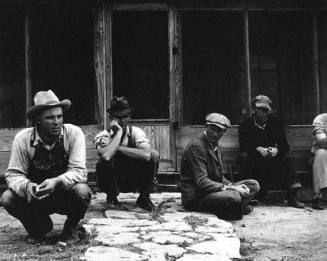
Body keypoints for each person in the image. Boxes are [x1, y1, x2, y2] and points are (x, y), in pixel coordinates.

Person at [1, 90, 92, 243]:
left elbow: (79, 172)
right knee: (7, 198)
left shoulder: (74, 134)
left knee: (82, 191)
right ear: (38, 120)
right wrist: (27, 186)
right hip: (36, 198)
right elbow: (13, 174)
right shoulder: (23, 139)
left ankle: (71, 229)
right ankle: (39, 227)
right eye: (50, 118)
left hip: (64, 195)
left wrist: (57, 182)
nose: (57, 122)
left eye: (59, 116)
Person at [180, 113, 260, 220]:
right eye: (212, 129)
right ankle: (234, 207)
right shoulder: (196, 146)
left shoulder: (217, 146)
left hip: (214, 190)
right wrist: (231, 188)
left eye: (219, 131)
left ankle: (232, 206)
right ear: (206, 127)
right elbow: (202, 182)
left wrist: (232, 185)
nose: (215, 134)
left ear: (224, 132)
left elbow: (219, 176)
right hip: (197, 196)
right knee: (234, 196)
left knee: (253, 185)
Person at [94, 96, 159, 211]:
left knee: (154, 155)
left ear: (129, 117)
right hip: (113, 178)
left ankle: (144, 197)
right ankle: (112, 196)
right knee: (105, 161)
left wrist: (117, 148)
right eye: (118, 117)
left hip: (132, 176)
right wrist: (118, 133)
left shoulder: (136, 132)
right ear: (111, 118)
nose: (122, 120)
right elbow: (106, 155)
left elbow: (146, 155)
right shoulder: (103, 135)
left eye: (125, 116)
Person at [239, 95, 304, 208]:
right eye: (261, 110)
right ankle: (248, 196)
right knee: (244, 157)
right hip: (256, 161)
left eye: (266, 111)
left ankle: (292, 196)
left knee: (287, 158)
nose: (264, 114)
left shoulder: (275, 123)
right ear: (254, 110)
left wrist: (276, 150)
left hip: (272, 161)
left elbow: (285, 146)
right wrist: (257, 149)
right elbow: (244, 147)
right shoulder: (245, 125)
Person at [311, 113, 327, 210]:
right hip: (324, 157)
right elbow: (322, 143)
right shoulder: (321, 119)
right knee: (321, 153)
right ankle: (317, 196)